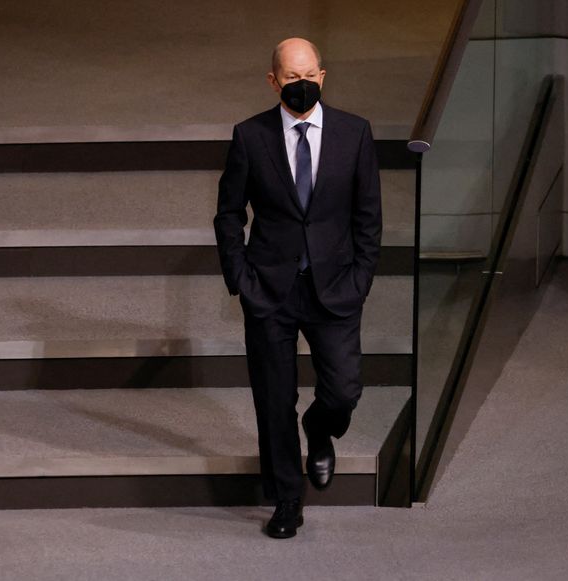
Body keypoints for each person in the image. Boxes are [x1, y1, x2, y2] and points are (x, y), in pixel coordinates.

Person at [213, 37, 382, 539]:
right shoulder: (250, 136)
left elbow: (368, 217)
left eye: (310, 74)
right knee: (273, 400)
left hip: (336, 286)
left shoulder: (354, 134)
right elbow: (228, 213)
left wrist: (361, 278)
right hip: (271, 289)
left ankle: (320, 428)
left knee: (344, 390)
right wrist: (241, 278)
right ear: (273, 81)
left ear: (323, 76)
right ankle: (287, 499)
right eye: (291, 77)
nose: (303, 83)